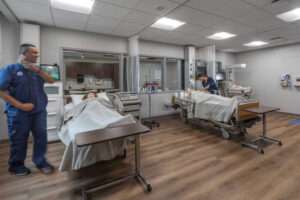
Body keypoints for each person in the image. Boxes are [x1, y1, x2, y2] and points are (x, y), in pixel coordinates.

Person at [0, 43, 55, 175]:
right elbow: (1, 91)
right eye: (34, 53)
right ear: (24, 53)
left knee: (41, 136)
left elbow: (51, 80)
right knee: (19, 139)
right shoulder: (9, 69)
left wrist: (38, 70)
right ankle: (16, 165)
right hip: (18, 113)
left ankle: (40, 161)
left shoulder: (38, 69)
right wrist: (20, 105)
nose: (37, 55)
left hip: (39, 111)